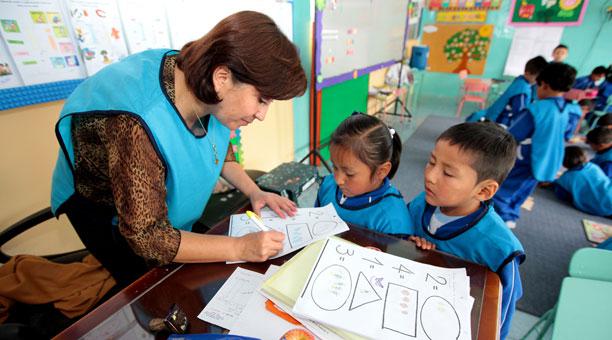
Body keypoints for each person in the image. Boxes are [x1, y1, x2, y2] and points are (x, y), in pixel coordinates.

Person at [50, 11, 307, 286]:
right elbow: (149, 238)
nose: (262, 115)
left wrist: (255, 191)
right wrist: (239, 248)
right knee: (146, 284)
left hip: (156, 211)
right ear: (222, 78)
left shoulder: (207, 85)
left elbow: (218, 146)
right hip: (105, 211)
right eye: (261, 100)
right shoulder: (136, 125)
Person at [406, 122, 524, 340]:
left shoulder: (500, 249)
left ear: (484, 190)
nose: (430, 175)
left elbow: (500, 315)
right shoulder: (421, 203)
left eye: (448, 173)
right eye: (431, 162)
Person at [493, 62, 577, 227]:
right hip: (547, 161)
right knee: (522, 190)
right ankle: (511, 216)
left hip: (526, 159)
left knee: (505, 189)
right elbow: (567, 134)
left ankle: (500, 219)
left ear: (543, 84)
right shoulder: (566, 110)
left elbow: (513, 135)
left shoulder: (537, 109)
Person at [315, 113, 410, 236]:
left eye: (349, 174)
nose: (338, 180)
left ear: (381, 171)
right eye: (335, 167)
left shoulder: (392, 220)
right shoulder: (327, 186)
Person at [466, 56, 548, 126]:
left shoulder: (520, 80)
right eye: (536, 78)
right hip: (499, 121)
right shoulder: (522, 89)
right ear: (527, 73)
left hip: (494, 115)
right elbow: (518, 112)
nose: (537, 81)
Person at [554, 146, 612, 216]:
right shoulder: (593, 166)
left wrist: (555, 183)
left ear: (563, 163)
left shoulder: (565, 178)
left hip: (601, 207)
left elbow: (562, 195)